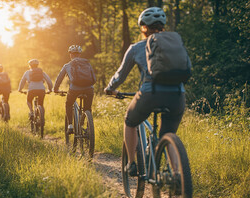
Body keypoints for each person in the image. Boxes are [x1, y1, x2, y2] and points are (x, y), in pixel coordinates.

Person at [104, 7, 191, 175]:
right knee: (168, 133)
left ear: (143, 27)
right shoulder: (175, 44)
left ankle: (131, 163)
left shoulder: (136, 48)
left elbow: (120, 76)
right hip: (178, 95)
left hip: (151, 93)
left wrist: (110, 88)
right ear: (163, 26)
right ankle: (177, 175)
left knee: (130, 122)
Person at [53, 45, 96, 134]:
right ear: (79, 54)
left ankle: (70, 126)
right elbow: (93, 78)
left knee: (69, 104)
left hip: (74, 90)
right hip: (89, 89)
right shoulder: (87, 63)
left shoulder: (67, 65)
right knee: (87, 108)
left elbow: (59, 79)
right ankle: (88, 127)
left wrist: (56, 89)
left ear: (70, 54)